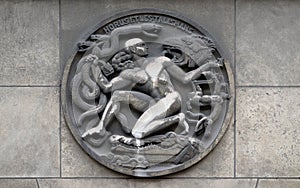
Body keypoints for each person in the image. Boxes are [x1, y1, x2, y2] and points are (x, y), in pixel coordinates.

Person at [82, 38, 220, 142]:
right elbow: (107, 87)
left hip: (171, 99)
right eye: (141, 45)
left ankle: (177, 118)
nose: (145, 46)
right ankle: (101, 127)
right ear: (133, 49)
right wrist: (94, 66)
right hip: (153, 104)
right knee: (122, 104)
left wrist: (206, 65)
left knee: (138, 131)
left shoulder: (161, 61)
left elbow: (185, 78)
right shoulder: (130, 73)